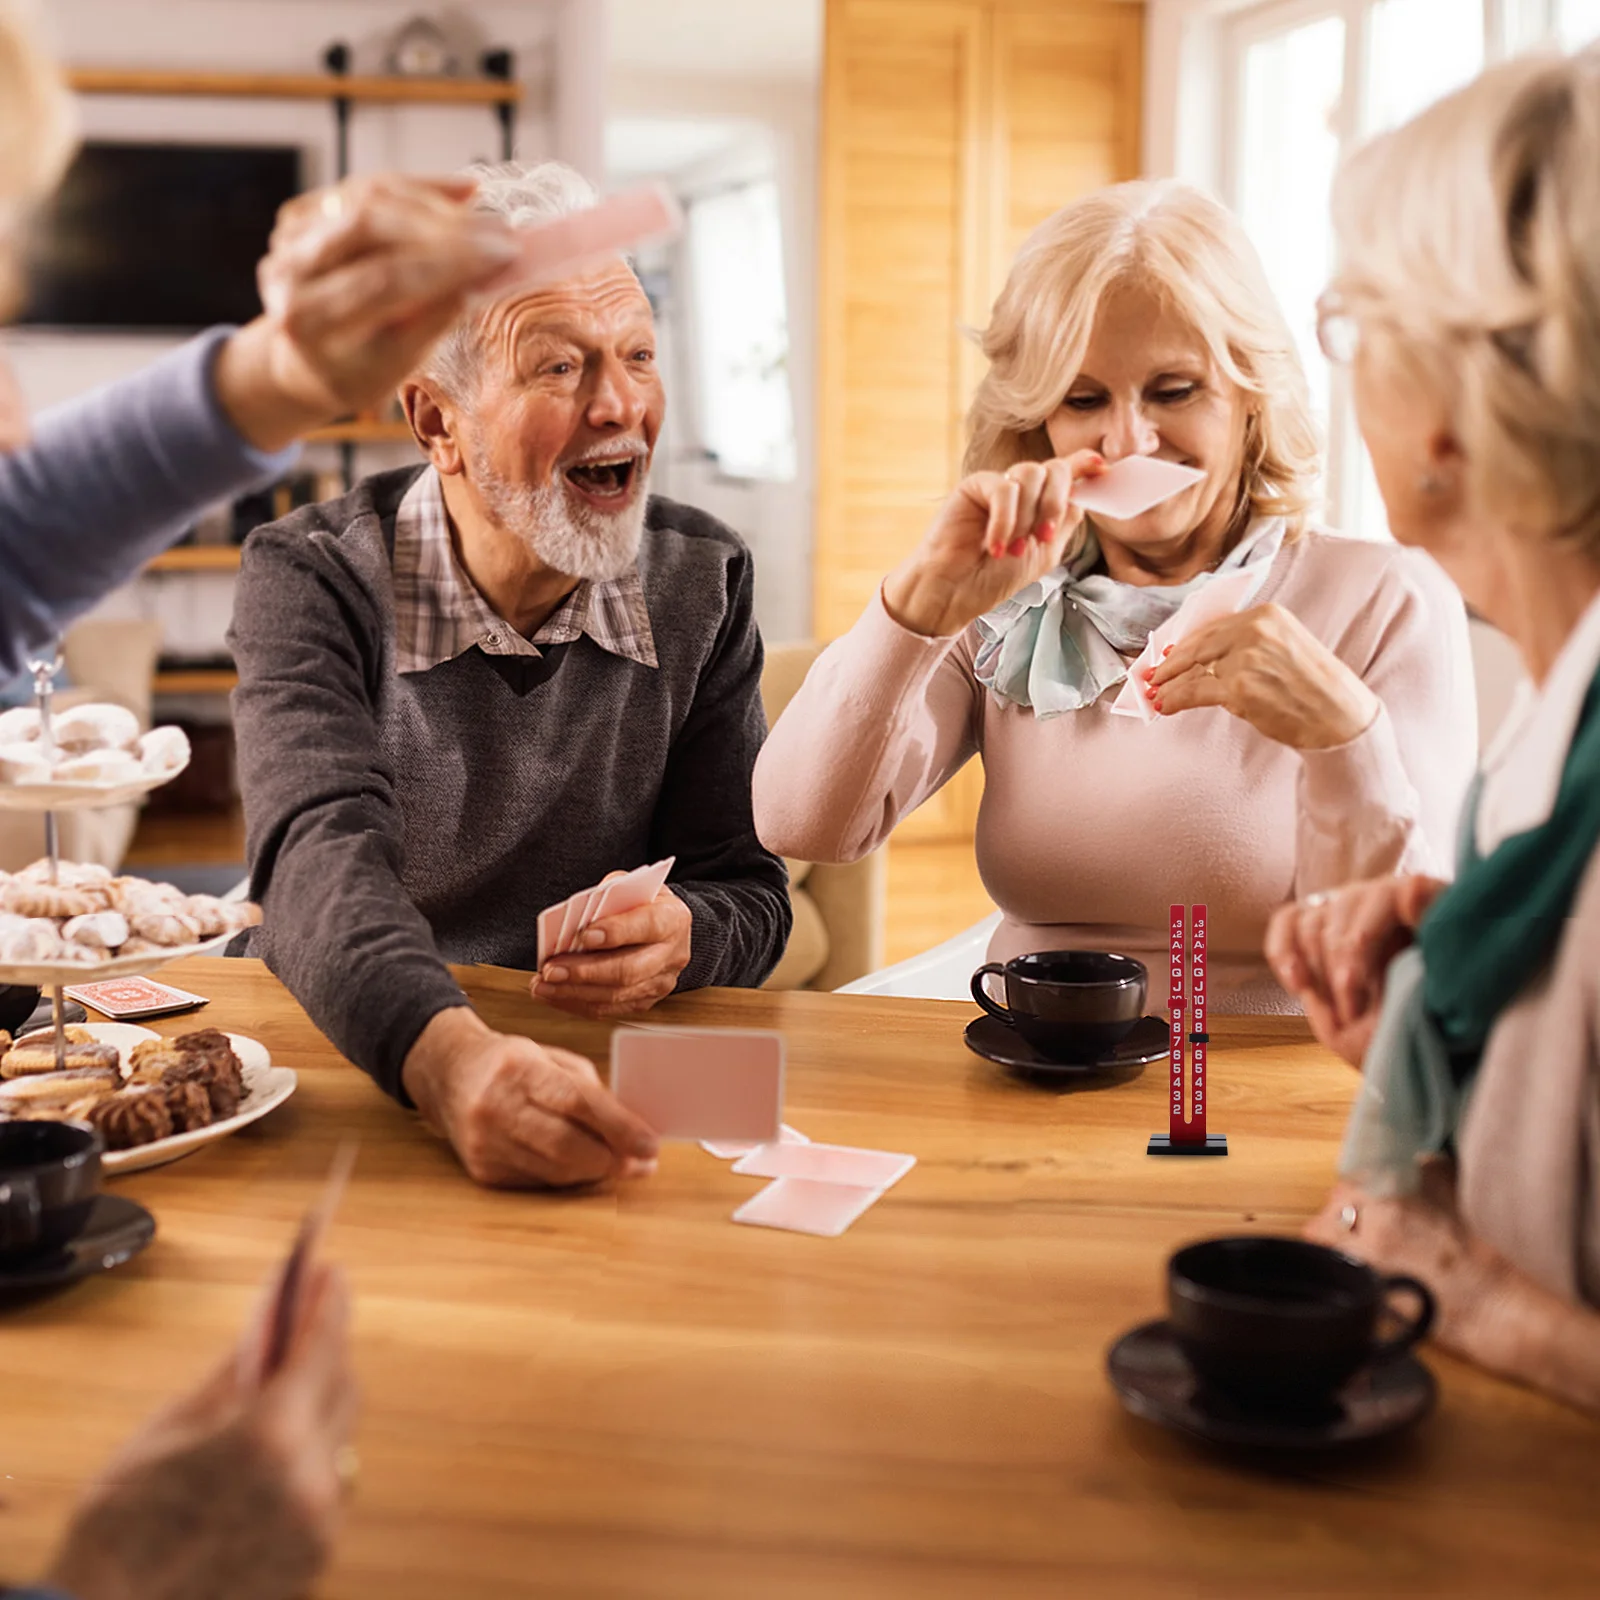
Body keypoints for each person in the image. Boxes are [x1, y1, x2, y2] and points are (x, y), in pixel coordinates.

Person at [753, 180, 1476, 1012]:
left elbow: (1421, 958)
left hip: (1258, 1086)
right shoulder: (1005, 595)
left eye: (1174, 391)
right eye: (1084, 399)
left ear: (1251, 398)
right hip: (1036, 1071)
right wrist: (915, 610)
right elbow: (798, 826)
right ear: (1038, 422)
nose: (1127, 440)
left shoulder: (1386, 596)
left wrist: (1346, 739)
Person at [227, 160, 792, 1190]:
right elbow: (313, 871)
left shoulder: (704, 578)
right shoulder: (307, 575)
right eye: (559, 368)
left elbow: (750, 891)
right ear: (437, 422)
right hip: (361, 1042)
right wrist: (450, 1061)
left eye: (636, 355)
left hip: (579, 1066)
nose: (620, 402)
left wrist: (687, 937)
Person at [1265, 49, 1600, 1412]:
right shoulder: (1554, 735)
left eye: (1351, 324)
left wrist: (1491, 1309)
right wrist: (1464, 997)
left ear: (1449, 419)